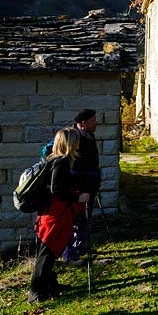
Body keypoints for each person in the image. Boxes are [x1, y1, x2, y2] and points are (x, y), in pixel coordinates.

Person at [29, 127, 86, 303]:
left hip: (50, 212)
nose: (78, 143)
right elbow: (57, 190)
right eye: (76, 140)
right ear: (69, 142)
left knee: (50, 251)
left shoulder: (52, 160)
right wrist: (78, 196)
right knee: (47, 252)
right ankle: (35, 291)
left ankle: (50, 284)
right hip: (54, 215)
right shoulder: (61, 162)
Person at [61, 109, 101, 263]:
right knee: (77, 220)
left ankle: (80, 247)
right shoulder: (76, 139)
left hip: (88, 186)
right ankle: (70, 254)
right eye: (93, 120)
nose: (96, 122)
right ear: (83, 123)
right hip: (80, 188)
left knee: (84, 219)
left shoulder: (87, 135)